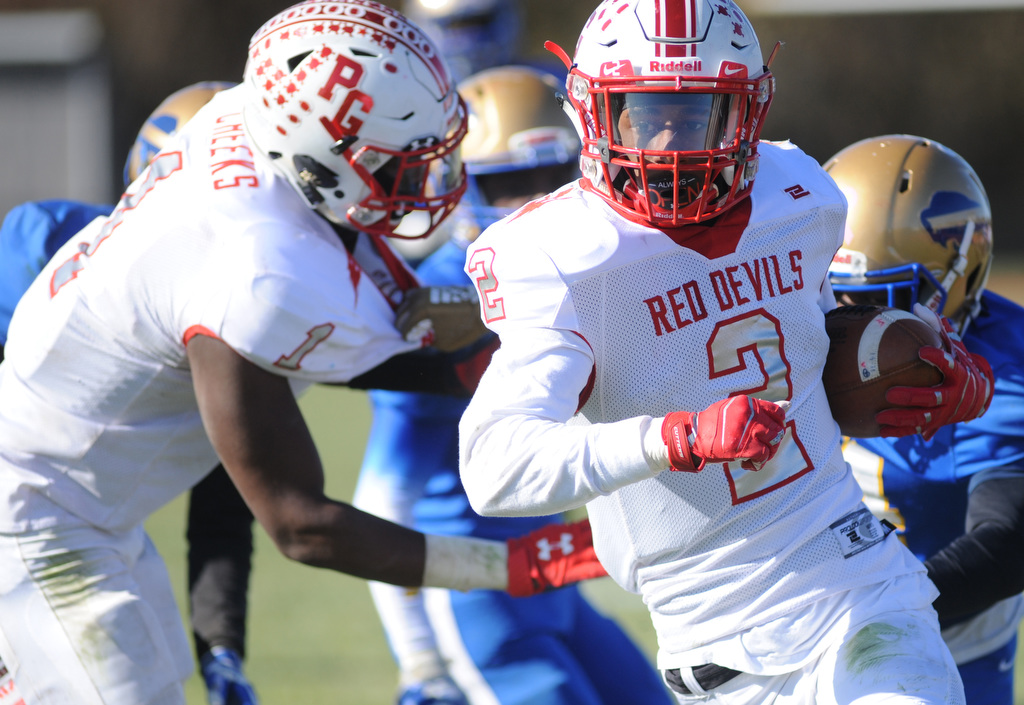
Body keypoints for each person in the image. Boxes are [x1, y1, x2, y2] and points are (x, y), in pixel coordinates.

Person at [0, 3, 606, 704]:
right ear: (319, 162)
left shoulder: (248, 123)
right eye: (399, 164)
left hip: (88, 505)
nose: (430, 181)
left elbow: (362, 334)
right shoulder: (255, 268)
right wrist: (508, 565)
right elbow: (301, 523)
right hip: (39, 515)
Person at [456, 1, 995, 703]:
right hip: (713, 636)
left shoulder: (799, 196)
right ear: (593, 112)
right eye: (646, 113)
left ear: (749, 109)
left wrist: (938, 374)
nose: (673, 141)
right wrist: (672, 437)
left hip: (855, 580)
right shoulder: (560, 259)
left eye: (702, 111)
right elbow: (496, 469)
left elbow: (817, 343)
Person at [354, 64, 671, 705]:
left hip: (552, 577)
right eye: (504, 184)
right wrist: (420, 656)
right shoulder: (438, 302)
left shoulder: (592, 269)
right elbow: (384, 498)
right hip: (475, 592)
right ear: (458, 186)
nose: (529, 202)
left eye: (549, 177)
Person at [0, 81, 261, 705]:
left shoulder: (239, 305)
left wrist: (221, 647)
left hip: (91, 530)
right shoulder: (45, 244)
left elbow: (223, 491)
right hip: (28, 525)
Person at [825, 134, 1024, 705]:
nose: (847, 327)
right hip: (812, 635)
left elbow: (1006, 544)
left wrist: (879, 608)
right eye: (832, 298)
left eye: (879, 301)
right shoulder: (800, 333)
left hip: (954, 644)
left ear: (961, 271)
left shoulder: (1005, 378)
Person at [401, 0, 523, 83]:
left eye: (478, 22)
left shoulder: (535, 84)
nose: (468, 40)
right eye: (454, 25)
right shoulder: (402, 91)